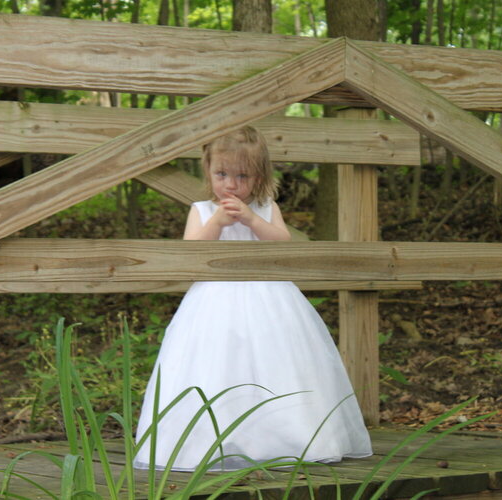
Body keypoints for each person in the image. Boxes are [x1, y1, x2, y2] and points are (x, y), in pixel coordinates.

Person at [133, 126, 372, 471]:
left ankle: (289, 437)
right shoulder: (201, 209)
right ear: (209, 170)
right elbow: (192, 251)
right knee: (217, 362)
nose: (230, 184)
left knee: (276, 360)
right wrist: (217, 221)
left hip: (268, 296)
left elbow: (281, 243)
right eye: (222, 174)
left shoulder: (265, 206)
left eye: (241, 176)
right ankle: (208, 442)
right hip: (213, 299)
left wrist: (250, 219)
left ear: (258, 176)